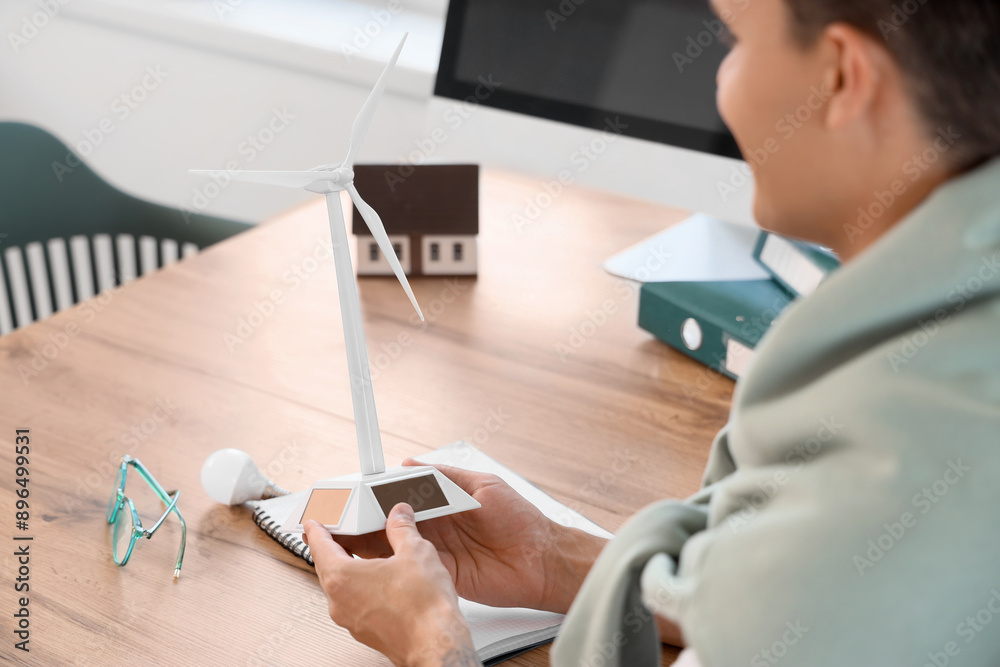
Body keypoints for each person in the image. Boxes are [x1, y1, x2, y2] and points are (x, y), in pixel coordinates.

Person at [302, 0, 1000, 664]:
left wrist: (433, 641)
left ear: (844, 77)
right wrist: (555, 559)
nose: (720, 83)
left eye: (735, 41)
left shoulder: (886, 467)